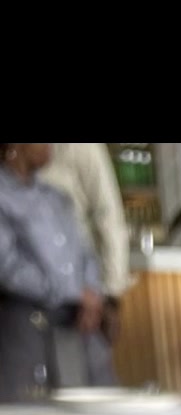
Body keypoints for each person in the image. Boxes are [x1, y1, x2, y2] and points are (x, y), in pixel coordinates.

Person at [0, 142, 104, 400]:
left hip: (74, 324)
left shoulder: (56, 197)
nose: (51, 146)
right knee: (29, 413)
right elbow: (8, 267)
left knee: (92, 400)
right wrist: (73, 292)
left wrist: (92, 291)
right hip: (25, 327)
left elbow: (85, 252)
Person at [39, 143, 131, 346]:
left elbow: (108, 217)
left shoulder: (83, 148)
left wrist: (112, 293)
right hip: (26, 295)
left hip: (82, 293)